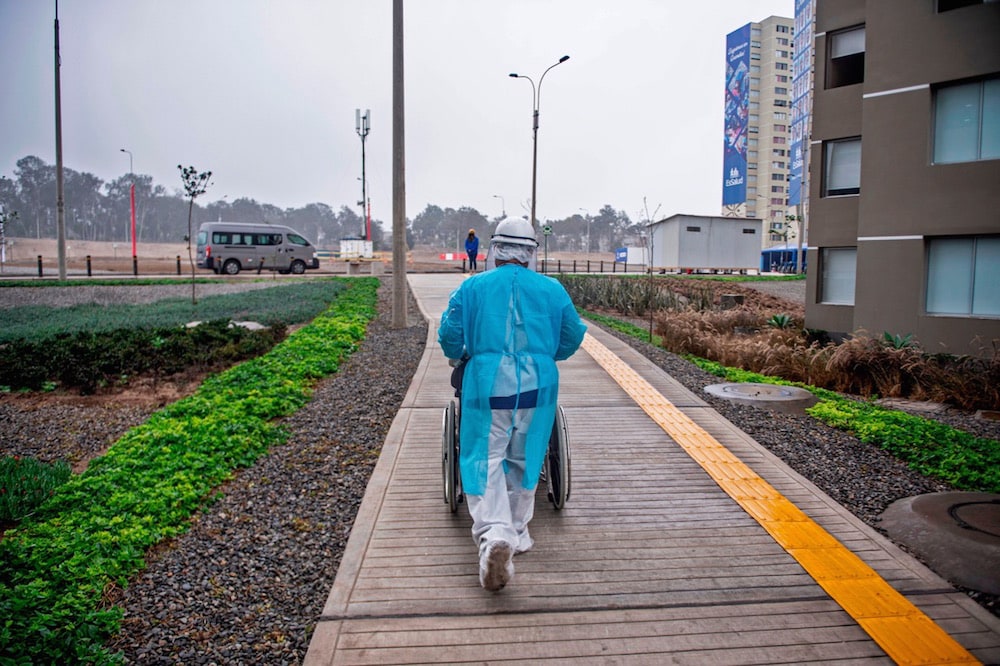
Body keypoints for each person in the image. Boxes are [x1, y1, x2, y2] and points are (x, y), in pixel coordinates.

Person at [438, 217, 587, 592]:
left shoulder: (472, 287)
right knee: (525, 458)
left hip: (487, 387)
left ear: (495, 250)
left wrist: (461, 355)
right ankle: (518, 531)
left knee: (484, 458)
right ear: (530, 253)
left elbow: (450, 337)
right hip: (539, 387)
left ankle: (493, 534)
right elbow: (571, 336)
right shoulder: (552, 290)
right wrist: (543, 354)